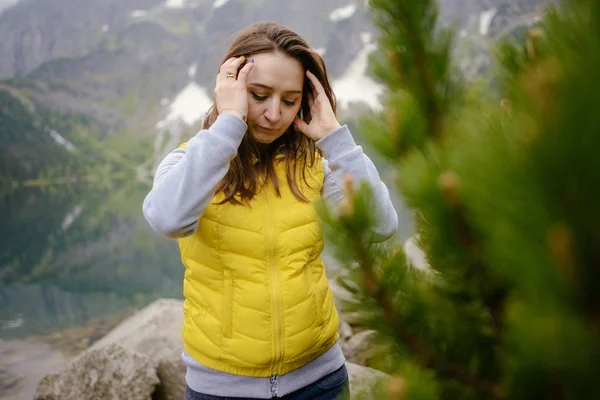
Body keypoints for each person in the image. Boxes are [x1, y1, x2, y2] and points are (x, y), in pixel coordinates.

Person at [143, 21, 398, 400]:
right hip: (221, 389)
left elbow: (380, 226)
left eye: (290, 100)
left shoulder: (315, 167)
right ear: (230, 87)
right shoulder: (190, 162)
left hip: (321, 381)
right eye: (258, 95)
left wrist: (334, 137)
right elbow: (166, 219)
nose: (273, 114)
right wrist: (229, 124)